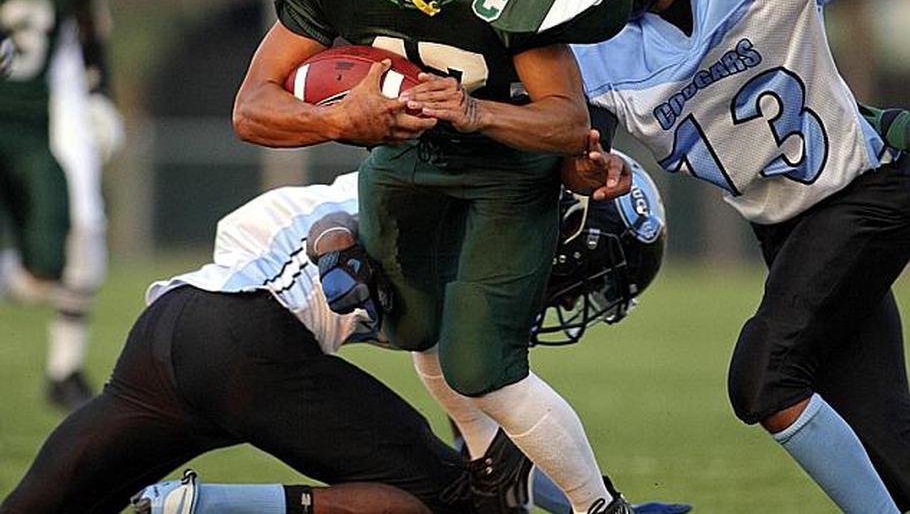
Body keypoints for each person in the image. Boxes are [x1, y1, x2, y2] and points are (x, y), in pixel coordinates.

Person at [1, 165, 684, 514]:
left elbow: (493, 454)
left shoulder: (466, 255)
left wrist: (588, 498)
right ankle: (205, 507)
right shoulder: (479, 217)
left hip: (170, 330)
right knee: (437, 506)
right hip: (249, 338)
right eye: (592, 276)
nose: (574, 297)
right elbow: (339, 218)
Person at [233, 0, 639, 512]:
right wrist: (337, 119)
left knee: (481, 368)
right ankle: (495, 479)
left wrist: (480, 113)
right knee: (413, 330)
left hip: (506, 176)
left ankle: (597, 506)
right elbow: (251, 109)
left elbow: (569, 121)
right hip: (402, 165)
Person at [572, 0, 910, 511]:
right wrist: (583, 165)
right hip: (790, 233)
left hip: (867, 189)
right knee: (885, 436)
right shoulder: (597, 46)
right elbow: (577, 146)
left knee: (765, 379)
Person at [0, 0, 133, 410]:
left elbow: (89, 10)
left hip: (55, 97)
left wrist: (98, 88)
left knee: (83, 229)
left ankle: (64, 369)